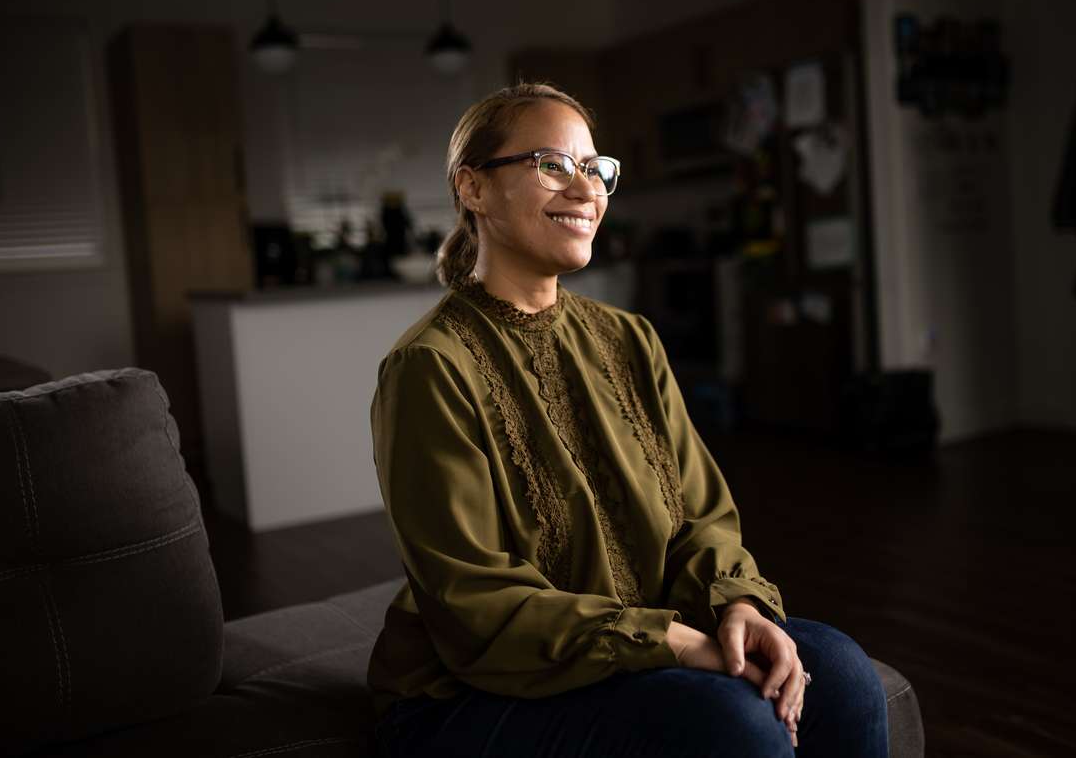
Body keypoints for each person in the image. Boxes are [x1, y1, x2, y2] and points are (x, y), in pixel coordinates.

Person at [368, 82, 889, 757]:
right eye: (551, 164)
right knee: (734, 722)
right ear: (473, 188)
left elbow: (704, 517)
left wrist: (735, 605)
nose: (586, 190)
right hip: (470, 688)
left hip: (633, 635)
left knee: (845, 674)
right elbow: (476, 602)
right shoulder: (428, 367)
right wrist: (671, 640)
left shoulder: (628, 338)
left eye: (595, 168)